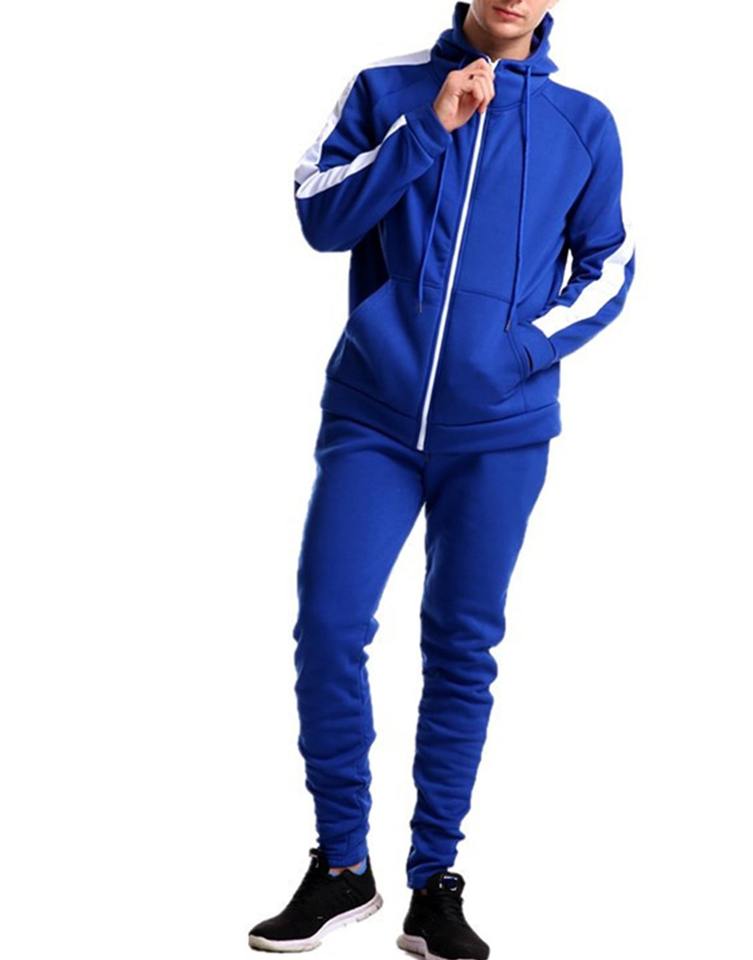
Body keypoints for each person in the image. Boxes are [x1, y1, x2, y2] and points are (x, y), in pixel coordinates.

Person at [248, 1, 635, 956]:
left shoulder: (583, 122)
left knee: (462, 646)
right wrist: (428, 128)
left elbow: (610, 264)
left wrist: (521, 352)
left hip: (501, 432)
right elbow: (320, 215)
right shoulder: (385, 89)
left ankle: (435, 882)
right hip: (373, 417)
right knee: (329, 626)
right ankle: (343, 866)